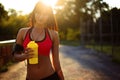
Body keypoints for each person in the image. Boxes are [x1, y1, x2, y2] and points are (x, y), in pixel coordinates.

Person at [12, 1, 64, 80]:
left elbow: (56, 63)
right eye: (38, 13)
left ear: (49, 16)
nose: (41, 17)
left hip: (50, 76)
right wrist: (25, 56)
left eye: (45, 14)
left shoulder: (54, 34)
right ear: (34, 13)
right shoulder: (22, 32)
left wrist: (61, 78)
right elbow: (15, 56)